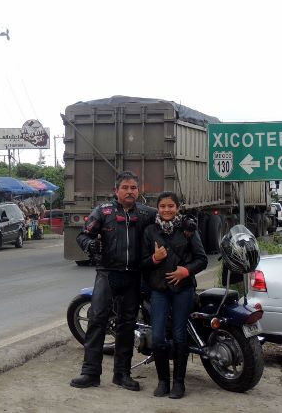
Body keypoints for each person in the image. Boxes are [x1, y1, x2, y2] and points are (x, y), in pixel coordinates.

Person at [70, 170, 157, 391]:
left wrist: (185, 224)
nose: (129, 192)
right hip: (107, 275)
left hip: (133, 277)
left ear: (139, 191)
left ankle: (122, 375)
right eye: (125, 188)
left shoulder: (147, 214)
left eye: (133, 188)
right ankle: (90, 373)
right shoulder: (102, 211)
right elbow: (82, 235)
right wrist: (90, 245)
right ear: (116, 191)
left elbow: (169, 218)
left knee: (127, 326)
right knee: (97, 322)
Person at [141, 191, 207, 399]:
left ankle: (179, 383)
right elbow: (142, 263)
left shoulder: (188, 230)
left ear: (177, 208)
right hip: (159, 289)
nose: (167, 210)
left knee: (180, 336)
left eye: (171, 206)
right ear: (158, 208)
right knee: (158, 336)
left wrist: (185, 271)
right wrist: (154, 259)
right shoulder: (150, 231)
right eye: (163, 206)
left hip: (183, 290)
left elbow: (202, 259)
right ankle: (163, 381)